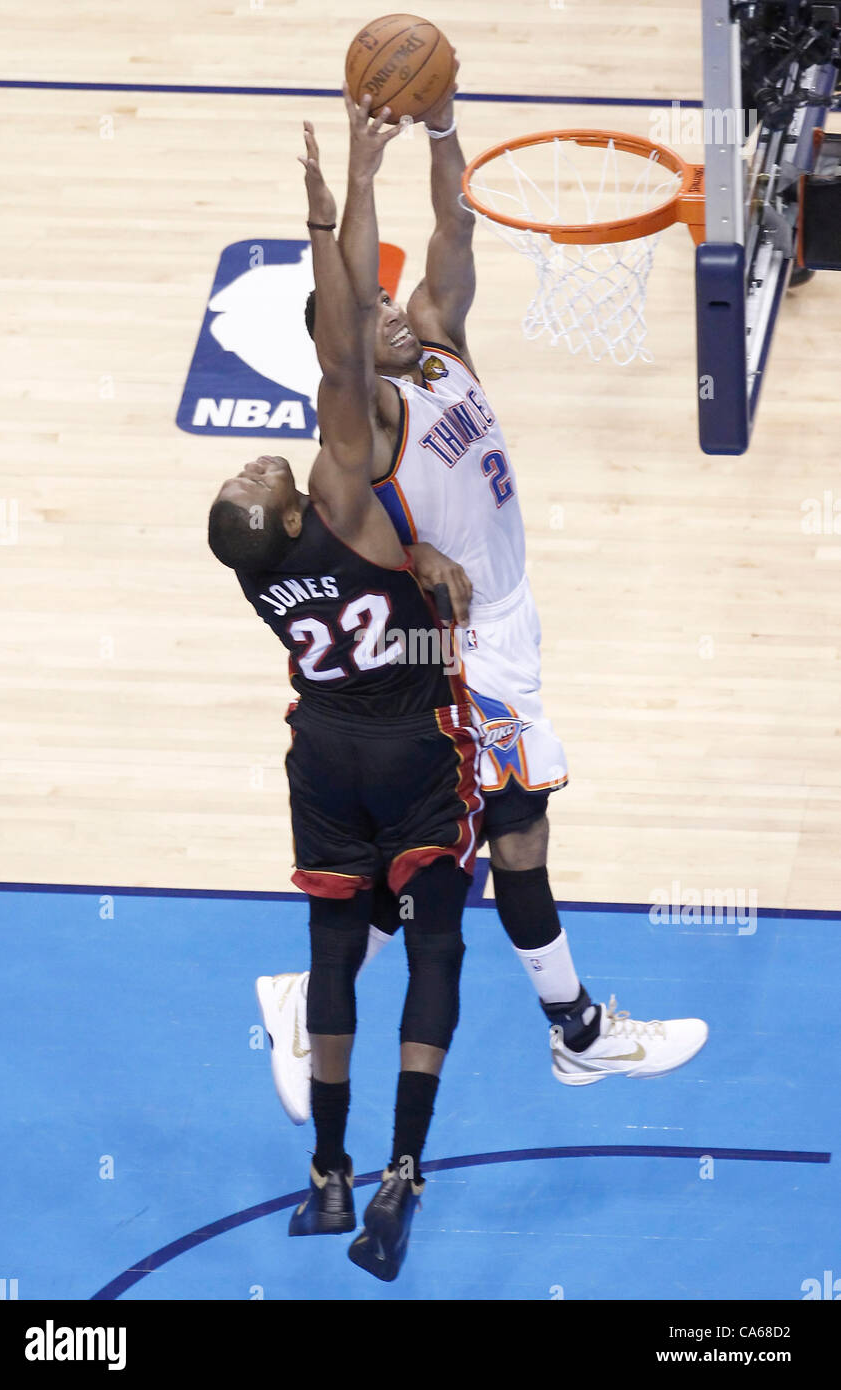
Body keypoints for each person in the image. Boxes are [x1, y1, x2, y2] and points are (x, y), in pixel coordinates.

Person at [259, 78, 707, 1125]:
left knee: (488, 849)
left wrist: (442, 122)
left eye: (383, 301)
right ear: (344, 347)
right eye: (364, 315)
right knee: (499, 846)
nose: (387, 314)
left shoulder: (439, 344)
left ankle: (316, 993)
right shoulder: (359, 432)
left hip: (510, 624)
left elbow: (452, 226)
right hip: (460, 659)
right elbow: (340, 338)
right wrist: (354, 181)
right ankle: (577, 1033)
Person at [208, 114, 482, 1282]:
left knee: (331, 948)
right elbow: (333, 363)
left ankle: (325, 1174)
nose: (252, 463)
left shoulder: (266, 573)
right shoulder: (341, 491)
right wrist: (338, 207)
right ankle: (401, 1171)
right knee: (434, 948)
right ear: (286, 511)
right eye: (249, 477)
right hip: (408, 742)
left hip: (319, 750)